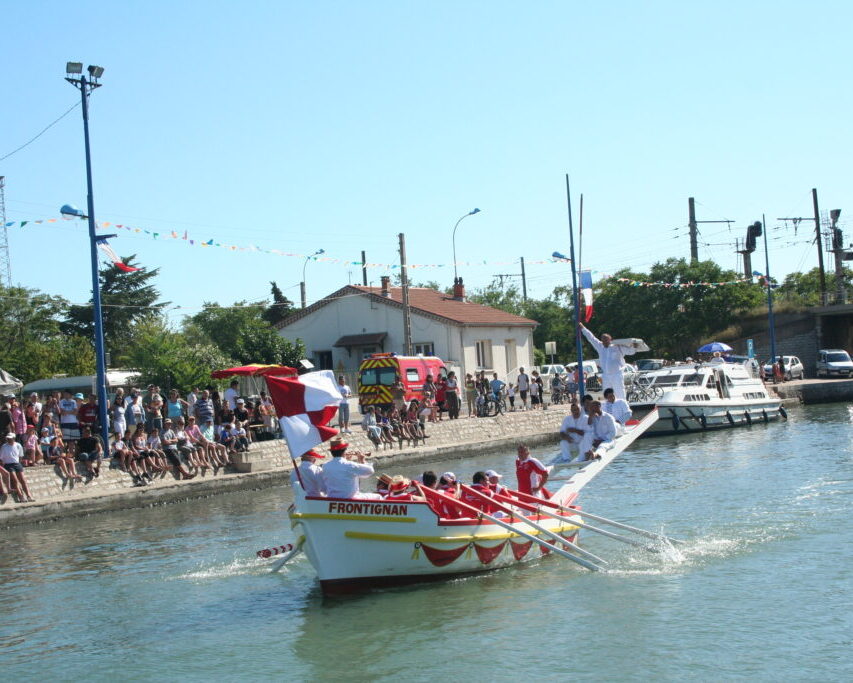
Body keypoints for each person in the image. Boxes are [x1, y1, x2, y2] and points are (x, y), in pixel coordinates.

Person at [579, 323, 628, 400]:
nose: (604, 341)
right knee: (606, 394)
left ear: (610, 339)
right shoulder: (600, 347)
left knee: (620, 394)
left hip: (617, 374)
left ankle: (623, 406)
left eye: (606, 339)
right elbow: (591, 338)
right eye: (603, 340)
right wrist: (583, 328)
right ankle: (608, 406)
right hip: (606, 375)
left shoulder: (617, 347)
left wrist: (634, 347)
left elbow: (630, 351)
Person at [1, 432, 34, 501]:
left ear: (14, 438)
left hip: (17, 464)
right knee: (15, 480)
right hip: (8, 465)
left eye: (10, 438)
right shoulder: (4, 446)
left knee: (23, 480)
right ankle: (21, 496)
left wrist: (18, 463)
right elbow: (1, 458)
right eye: (8, 438)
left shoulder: (18, 445)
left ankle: (29, 495)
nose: (9, 439)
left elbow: (20, 456)